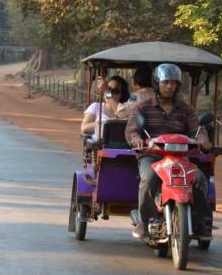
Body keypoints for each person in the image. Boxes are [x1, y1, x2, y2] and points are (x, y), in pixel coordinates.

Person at [125, 63, 212, 240]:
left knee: (200, 180)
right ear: (157, 84)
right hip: (152, 156)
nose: (169, 86)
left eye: (173, 83)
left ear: (178, 86)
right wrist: (136, 139)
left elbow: (197, 129)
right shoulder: (143, 107)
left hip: (181, 157)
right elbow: (132, 131)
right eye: (166, 83)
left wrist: (203, 139)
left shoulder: (186, 109)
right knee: (148, 178)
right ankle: (145, 220)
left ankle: (202, 222)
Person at [81, 75, 130, 142]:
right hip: (100, 146)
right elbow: (84, 128)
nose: (111, 93)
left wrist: (106, 91)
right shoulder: (95, 106)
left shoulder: (125, 108)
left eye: (115, 91)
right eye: (109, 89)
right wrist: (102, 125)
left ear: (121, 95)